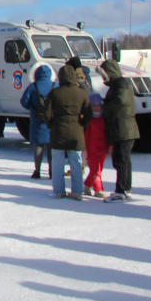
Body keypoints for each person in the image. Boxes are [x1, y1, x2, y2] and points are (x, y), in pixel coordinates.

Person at [44, 65, 92, 200]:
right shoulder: (81, 92)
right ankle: (77, 191)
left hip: (58, 131)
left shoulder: (55, 92)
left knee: (57, 163)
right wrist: (83, 125)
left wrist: (51, 125)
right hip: (76, 131)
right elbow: (88, 113)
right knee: (76, 162)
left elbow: (47, 113)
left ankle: (59, 191)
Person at [100, 59, 140, 202]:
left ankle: (121, 190)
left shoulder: (121, 85)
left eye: (104, 74)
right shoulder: (121, 84)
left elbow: (120, 101)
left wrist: (104, 106)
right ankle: (125, 189)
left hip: (123, 129)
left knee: (121, 160)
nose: (103, 78)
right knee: (124, 160)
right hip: (125, 129)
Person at [20, 65, 57, 179]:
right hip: (52, 120)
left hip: (37, 120)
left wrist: (32, 108)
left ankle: (37, 170)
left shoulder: (32, 86)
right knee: (51, 146)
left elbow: (24, 102)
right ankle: (51, 171)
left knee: (38, 145)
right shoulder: (55, 86)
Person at [83, 93, 109, 198]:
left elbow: (108, 133)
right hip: (92, 148)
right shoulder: (89, 120)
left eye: (98, 107)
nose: (97, 109)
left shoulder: (104, 119)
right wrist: (84, 148)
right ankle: (98, 189)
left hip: (103, 147)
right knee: (95, 169)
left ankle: (87, 185)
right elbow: (85, 135)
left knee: (99, 169)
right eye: (94, 107)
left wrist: (109, 145)